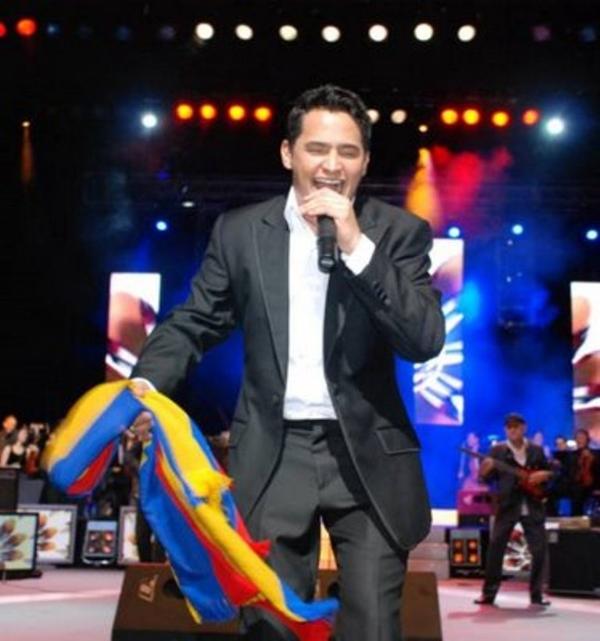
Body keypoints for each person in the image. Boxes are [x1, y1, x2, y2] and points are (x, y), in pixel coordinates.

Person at [130, 84, 445, 641]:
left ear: (365, 162)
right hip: (274, 454)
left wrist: (356, 246)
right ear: (287, 153)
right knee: (271, 625)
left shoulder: (398, 233)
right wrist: (147, 384)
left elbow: (423, 339)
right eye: (316, 149)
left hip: (367, 458)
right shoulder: (240, 232)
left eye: (348, 152)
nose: (332, 165)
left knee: (373, 625)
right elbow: (195, 320)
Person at [474, 413, 553, 607]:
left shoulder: (536, 450)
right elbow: (485, 479)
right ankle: (488, 594)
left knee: (539, 551)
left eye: (516, 426)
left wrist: (544, 475)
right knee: (496, 549)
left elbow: (550, 474)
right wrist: (484, 471)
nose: (512, 430)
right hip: (508, 505)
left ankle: (537, 595)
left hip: (532, 505)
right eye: (509, 427)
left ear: (523, 428)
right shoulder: (497, 451)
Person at [570, 428, 596, 515]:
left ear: (587, 440)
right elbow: (572, 474)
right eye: (578, 438)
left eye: (582, 438)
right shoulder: (572, 455)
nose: (579, 440)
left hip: (592, 484)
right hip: (576, 485)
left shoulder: (595, 454)